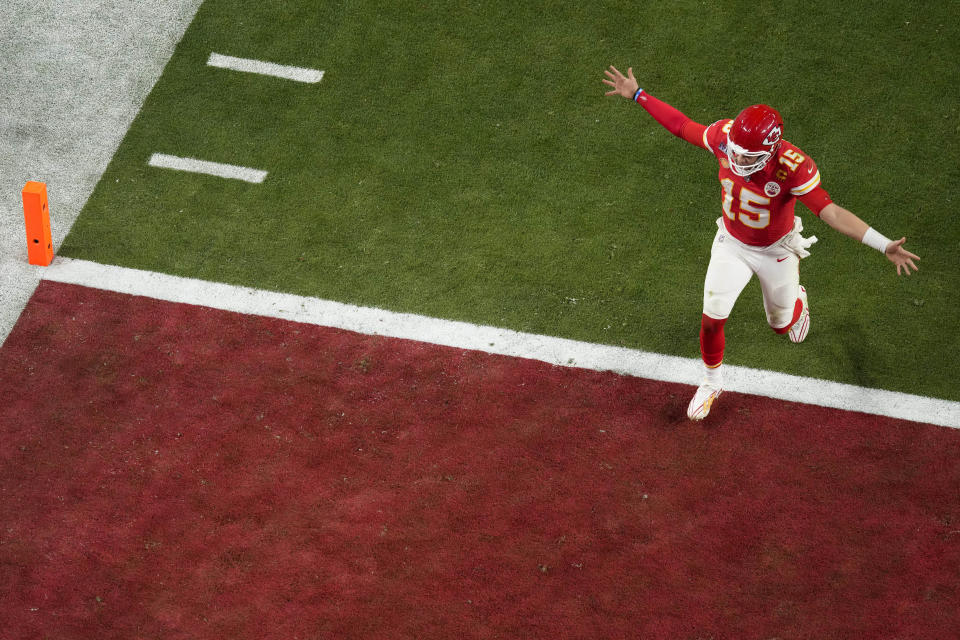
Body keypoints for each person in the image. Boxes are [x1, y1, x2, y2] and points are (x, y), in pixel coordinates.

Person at [602, 66, 920, 420]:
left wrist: (882, 244)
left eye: (746, 157)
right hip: (732, 242)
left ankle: (798, 305)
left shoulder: (792, 166)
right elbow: (682, 126)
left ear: (770, 151)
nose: (736, 160)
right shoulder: (725, 137)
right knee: (711, 316)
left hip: (776, 250)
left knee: (780, 325)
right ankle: (711, 381)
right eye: (734, 152)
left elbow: (831, 213)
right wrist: (638, 94)